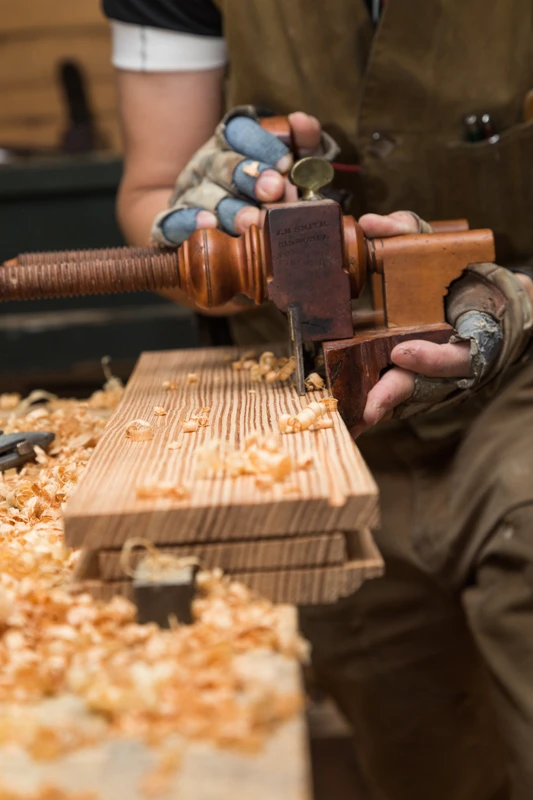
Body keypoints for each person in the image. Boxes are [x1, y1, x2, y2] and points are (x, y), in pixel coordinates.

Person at [102, 2, 533, 798]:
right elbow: (151, 191)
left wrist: (516, 302)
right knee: (416, 754)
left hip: (521, 393)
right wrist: (209, 239)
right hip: (310, 416)